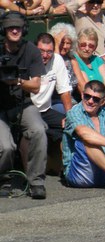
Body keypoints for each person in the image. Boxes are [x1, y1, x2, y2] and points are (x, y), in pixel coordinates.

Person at [0, 12, 48, 200]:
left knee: (38, 130)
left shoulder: (32, 50)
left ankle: (36, 182)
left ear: (24, 29)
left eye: (18, 27)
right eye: (10, 26)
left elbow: (35, 86)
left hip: (22, 102)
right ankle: (3, 178)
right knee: (6, 147)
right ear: (4, 29)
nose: (14, 30)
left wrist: (17, 81)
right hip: (0, 106)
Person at [32, 33, 73, 147]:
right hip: (29, 110)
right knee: (39, 130)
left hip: (46, 110)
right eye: (41, 51)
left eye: (49, 51)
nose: (45, 55)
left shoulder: (57, 60)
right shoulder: (28, 60)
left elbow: (64, 90)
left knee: (72, 126)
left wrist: (69, 116)